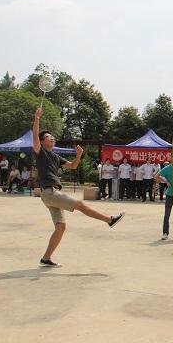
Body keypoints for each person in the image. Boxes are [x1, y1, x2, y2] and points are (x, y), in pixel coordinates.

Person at [33, 107, 124, 267]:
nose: (52, 138)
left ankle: (46, 258)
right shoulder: (40, 152)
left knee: (60, 227)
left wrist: (79, 154)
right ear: (42, 142)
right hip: (49, 192)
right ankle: (109, 220)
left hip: (52, 194)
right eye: (49, 137)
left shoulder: (55, 156)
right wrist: (37, 118)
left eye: (52, 137)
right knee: (80, 205)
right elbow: (34, 136)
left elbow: (73, 166)